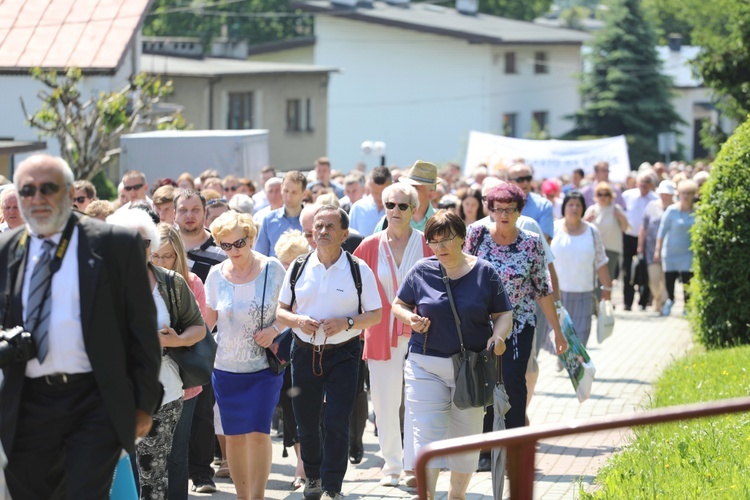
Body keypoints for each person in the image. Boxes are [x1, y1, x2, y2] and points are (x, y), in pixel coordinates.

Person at [0, 154, 162, 498]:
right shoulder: (6, 250)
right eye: (27, 190)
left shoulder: (115, 245)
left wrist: (144, 404)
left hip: (94, 400)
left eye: (48, 188)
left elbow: (143, 331)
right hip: (26, 402)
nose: (38, 199)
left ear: (71, 192)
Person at [392, 210, 513, 500]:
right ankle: (428, 496)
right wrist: (411, 320)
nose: (440, 248)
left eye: (447, 240)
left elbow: (504, 313)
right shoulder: (422, 270)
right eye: (434, 241)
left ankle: (456, 496)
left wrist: (499, 336)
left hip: (470, 369)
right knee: (427, 435)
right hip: (425, 364)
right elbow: (399, 304)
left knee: (467, 439)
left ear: (463, 238)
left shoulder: (485, 272)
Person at [277, 205, 382, 500]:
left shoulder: (358, 269)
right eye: (318, 227)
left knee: (336, 421)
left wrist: (347, 322)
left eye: (329, 227)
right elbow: (281, 311)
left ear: (344, 234)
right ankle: (312, 478)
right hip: (304, 352)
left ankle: (332, 486)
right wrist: (298, 321)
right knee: (307, 421)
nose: (322, 232)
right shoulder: (299, 266)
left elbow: (375, 314)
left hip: (344, 353)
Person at [108, 209, 206, 500]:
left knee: (153, 470)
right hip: (112, 389)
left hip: (163, 387)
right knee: (114, 468)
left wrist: (176, 341)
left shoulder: (171, 283)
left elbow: (198, 328)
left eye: (143, 243)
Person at [464, 184, 567, 433]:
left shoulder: (531, 242)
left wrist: (558, 330)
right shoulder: (476, 234)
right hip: (481, 324)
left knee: (514, 382)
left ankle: (514, 446)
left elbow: (542, 288)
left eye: (510, 209)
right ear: (490, 210)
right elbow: (462, 274)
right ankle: (485, 448)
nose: (504, 215)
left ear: (520, 211)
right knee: (484, 381)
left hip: (520, 323)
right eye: (498, 209)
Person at [352, 183, 432, 488]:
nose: (395, 211)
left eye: (402, 206)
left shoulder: (426, 244)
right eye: (390, 205)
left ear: (414, 210)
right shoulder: (369, 246)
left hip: (421, 333)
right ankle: (392, 465)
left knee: (418, 399)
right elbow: (353, 286)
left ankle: (414, 465)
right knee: (384, 402)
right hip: (379, 333)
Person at [204, 211, 286, 500]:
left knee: (259, 433)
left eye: (239, 243)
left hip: (263, 367)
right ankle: (242, 497)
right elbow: (207, 321)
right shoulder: (216, 275)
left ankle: (259, 496)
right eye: (225, 246)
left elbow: (289, 311)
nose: (233, 251)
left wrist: (274, 329)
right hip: (225, 368)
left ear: (251, 238)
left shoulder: (273, 268)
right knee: (235, 437)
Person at [173, 188, 227, 493]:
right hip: (168, 341)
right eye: (183, 210)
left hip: (206, 342)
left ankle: (202, 473)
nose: (189, 215)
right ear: (174, 212)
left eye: (195, 209)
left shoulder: (219, 250)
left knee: (203, 410)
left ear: (204, 213)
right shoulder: (166, 247)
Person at [150, 223, 208, 500]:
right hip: (145, 382)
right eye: (156, 256)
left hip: (183, 381)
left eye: (168, 255)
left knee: (175, 454)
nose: (161, 261)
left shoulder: (189, 282)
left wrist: (175, 339)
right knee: (148, 457)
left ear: (178, 256)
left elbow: (200, 327)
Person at [273, 230, 312, 491]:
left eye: (294, 261)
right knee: (291, 411)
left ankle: (309, 467)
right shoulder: (276, 283)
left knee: (311, 413)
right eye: (284, 262)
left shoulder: (313, 280)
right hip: (285, 358)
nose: (288, 267)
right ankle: (301, 466)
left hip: (312, 355)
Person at [551, 191, 613, 347]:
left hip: (584, 292)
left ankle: (574, 364)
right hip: (558, 294)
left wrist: (607, 287)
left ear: (583, 209)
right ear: (564, 208)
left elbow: (601, 260)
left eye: (578, 205)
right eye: (570, 205)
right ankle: (564, 358)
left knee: (581, 334)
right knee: (560, 332)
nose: (574, 208)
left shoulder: (592, 231)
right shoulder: (553, 229)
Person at [655, 180, 698, 316]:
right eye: (683, 193)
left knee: (687, 280)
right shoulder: (672, 210)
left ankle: (687, 307)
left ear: (693, 195)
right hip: (670, 252)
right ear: (678, 194)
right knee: (670, 280)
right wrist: (658, 250)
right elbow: (662, 231)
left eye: (689, 193)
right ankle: (670, 301)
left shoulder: (697, 211)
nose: (685, 196)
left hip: (688, 253)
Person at [622, 170, 658, 311]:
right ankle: (627, 302)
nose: (644, 185)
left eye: (647, 182)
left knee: (645, 270)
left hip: (648, 239)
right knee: (627, 271)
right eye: (642, 182)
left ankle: (643, 302)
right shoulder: (627, 196)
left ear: (652, 184)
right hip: (629, 237)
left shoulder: (655, 199)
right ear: (637, 183)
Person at [639, 180, 674, 314]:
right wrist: (640, 245)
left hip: (669, 249)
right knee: (653, 279)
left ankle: (662, 303)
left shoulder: (675, 207)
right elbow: (644, 226)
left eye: (667, 194)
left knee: (666, 279)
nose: (665, 196)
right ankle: (657, 298)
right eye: (663, 193)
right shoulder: (651, 206)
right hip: (651, 249)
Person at [375, 161, 440, 233]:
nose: (409, 191)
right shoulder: (388, 221)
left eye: (414, 188)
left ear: (431, 194)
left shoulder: (441, 222)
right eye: (407, 186)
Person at [583, 182, 629, 285]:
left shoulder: (616, 209)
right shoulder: (592, 210)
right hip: (594, 248)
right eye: (600, 194)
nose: (603, 197)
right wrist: (586, 220)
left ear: (610, 195)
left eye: (606, 194)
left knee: (608, 277)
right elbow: (582, 228)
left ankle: (606, 300)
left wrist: (621, 218)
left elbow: (626, 228)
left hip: (612, 248)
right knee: (594, 277)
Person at [255, 171, 306, 258]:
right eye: (286, 191)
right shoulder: (268, 220)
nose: (289, 196)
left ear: (304, 194)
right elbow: (260, 256)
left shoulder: (311, 220)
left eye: (294, 192)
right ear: (282, 189)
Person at [508, 163, 553, 241]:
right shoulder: (501, 204)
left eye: (528, 178)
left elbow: (543, 239)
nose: (525, 183)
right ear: (508, 182)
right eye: (520, 179)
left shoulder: (544, 205)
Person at [349, 166, 392, 237]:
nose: (380, 197)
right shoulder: (358, 208)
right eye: (375, 192)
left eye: (384, 192)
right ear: (368, 187)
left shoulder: (400, 208)